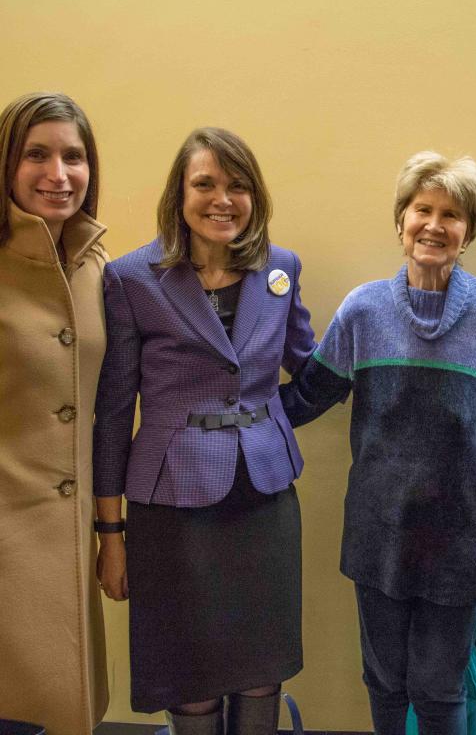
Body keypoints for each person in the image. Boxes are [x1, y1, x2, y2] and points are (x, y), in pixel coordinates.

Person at [280, 151, 476, 735]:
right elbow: (306, 397)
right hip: (379, 532)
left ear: (467, 231)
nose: (434, 224)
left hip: (464, 538)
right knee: (383, 680)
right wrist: (233, 409)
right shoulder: (363, 310)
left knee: (439, 687)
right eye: (422, 209)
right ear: (401, 221)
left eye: (451, 214)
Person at [93, 127, 315, 735]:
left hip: (263, 497)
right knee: (189, 676)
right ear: (180, 193)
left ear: (255, 196)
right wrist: (109, 532)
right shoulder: (131, 278)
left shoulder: (281, 269)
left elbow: (312, 368)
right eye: (206, 184)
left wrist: (269, 422)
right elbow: (113, 414)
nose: (223, 199)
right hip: (170, 503)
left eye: (238, 186)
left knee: (260, 669)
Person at [0, 92, 109, 734]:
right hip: (8, 538)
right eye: (36, 154)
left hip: (71, 540)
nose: (58, 174)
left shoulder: (93, 264)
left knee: (69, 710)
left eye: (74, 156)